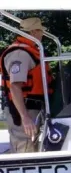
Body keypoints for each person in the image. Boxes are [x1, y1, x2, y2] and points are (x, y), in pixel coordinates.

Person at [0, 17, 54, 153]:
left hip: (32, 108)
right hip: (23, 109)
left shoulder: (30, 51)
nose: (42, 34)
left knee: (32, 147)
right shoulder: (20, 54)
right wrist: (25, 118)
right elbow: (14, 86)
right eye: (40, 31)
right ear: (34, 32)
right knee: (24, 149)